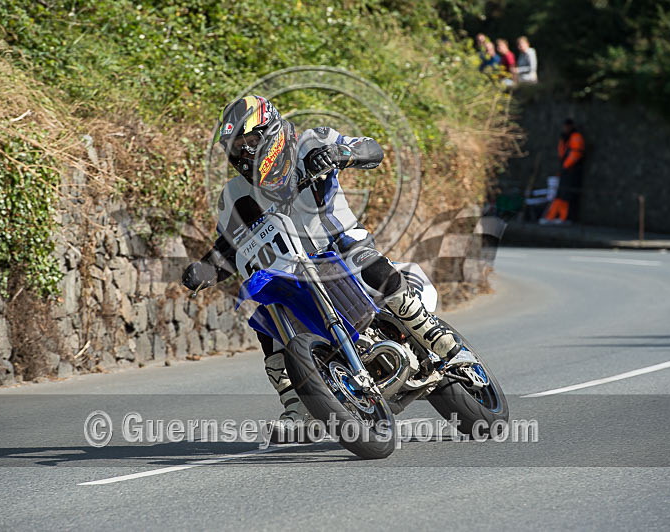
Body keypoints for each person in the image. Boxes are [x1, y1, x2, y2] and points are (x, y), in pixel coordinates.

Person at [182, 96, 461, 428]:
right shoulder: (234, 196)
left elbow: (371, 149)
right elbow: (228, 244)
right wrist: (205, 267)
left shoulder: (313, 141)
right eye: (237, 146)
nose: (244, 152)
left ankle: (428, 331)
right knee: (264, 318)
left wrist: (341, 154)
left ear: (270, 131)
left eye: (250, 141)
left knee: (364, 259)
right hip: (288, 270)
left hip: (339, 243)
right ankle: (295, 404)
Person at [541, 119, 585, 224]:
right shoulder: (565, 137)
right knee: (561, 193)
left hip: (572, 169)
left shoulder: (576, 137)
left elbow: (576, 153)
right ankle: (556, 216)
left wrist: (565, 166)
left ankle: (565, 217)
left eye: (566, 126)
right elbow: (562, 152)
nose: (565, 128)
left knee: (567, 194)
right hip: (565, 168)